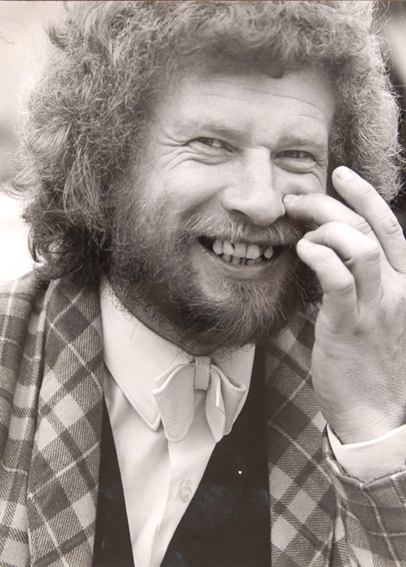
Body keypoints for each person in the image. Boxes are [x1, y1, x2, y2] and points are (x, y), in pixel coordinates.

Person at [1, 1, 406, 566]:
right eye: (213, 144)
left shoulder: (385, 379)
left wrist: (373, 431)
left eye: (296, 156)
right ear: (106, 160)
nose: (262, 202)